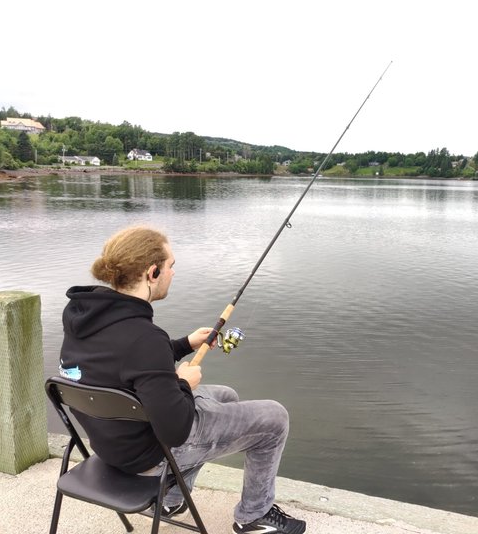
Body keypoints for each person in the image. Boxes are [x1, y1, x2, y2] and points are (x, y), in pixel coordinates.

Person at [59, 225, 306, 534]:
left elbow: (129, 364)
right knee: (274, 418)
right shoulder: (144, 337)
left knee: (225, 395)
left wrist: (185, 344)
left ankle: (171, 497)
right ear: (152, 273)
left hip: (111, 445)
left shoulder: (84, 318)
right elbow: (176, 429)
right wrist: (184, 384)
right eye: (171, 266)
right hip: (151, 457)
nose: (173, 273)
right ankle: (254, 514)